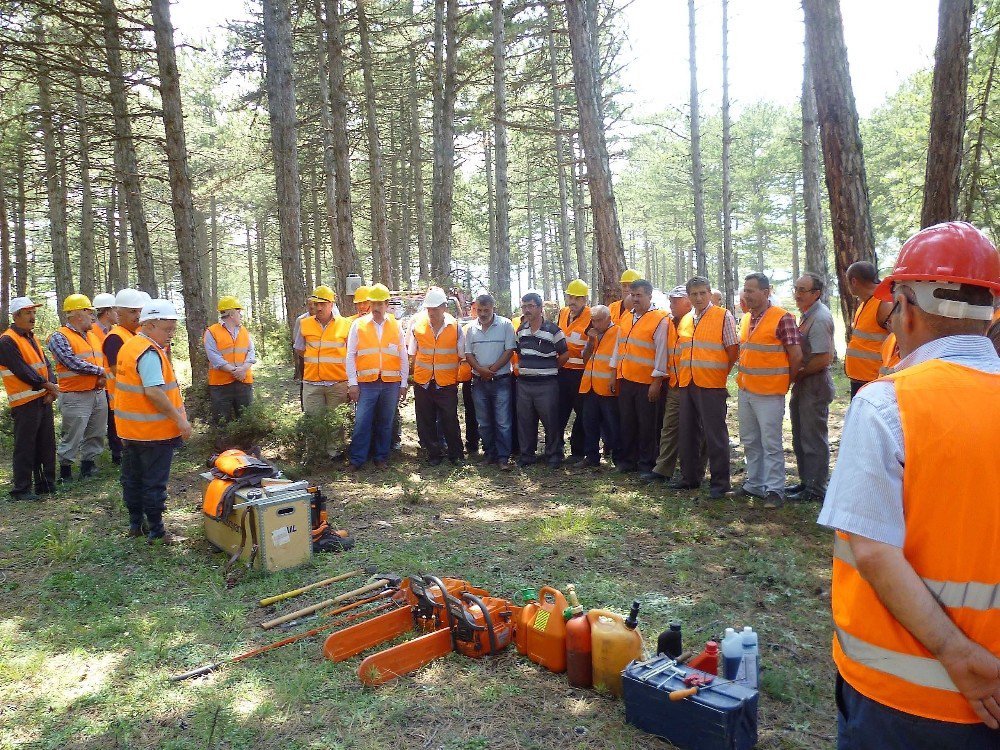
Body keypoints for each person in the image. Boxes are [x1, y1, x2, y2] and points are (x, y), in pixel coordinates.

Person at [818, 221, 1000, 747]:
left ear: (908, 308)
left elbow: (873, 553)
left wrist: (955, 652)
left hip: (902, 700)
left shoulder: (886, 404)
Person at [115, 299, 192, 543]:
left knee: (133, 479)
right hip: (153, 433)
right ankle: (157, 531)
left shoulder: (131, 346)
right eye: (167, 329)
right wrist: (180, 420)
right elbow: (154, 392)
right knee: (154, 483)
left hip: (130, 431)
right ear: (148, 326)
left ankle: (135, 524)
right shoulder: (148, 352)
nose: (171, 334)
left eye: (173, 329)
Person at [735, 274, 802, 508]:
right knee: (750, 440)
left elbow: (796, 356)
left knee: (771, 443)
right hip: (746, 390)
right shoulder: (745, 319)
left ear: (766, 292)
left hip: (770, 393)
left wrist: (785, 381)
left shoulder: (782, 318)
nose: (747, 294)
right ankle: (755, 483)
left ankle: (775, 489)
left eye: (751, 290)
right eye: (745, 290)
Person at [673, 275, 739, 499]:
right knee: (688, 432)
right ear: (688, 297)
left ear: (710, 293)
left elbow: (732, 350)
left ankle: (720, 484)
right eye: (694, 294)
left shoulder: (723, 316)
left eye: (703, 293)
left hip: (711, 384)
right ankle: (690, 478)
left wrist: (720, 373)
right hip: (687, 382)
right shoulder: (686, 320)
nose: (699, 297)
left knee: (715, 435)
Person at [0, 297, 58, 500]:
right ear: (16, 317)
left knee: (46, 443)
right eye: (28, 313)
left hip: (43, 398)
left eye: (34, 313)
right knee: (25, 446)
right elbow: (21, 370)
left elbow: (46, 364)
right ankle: (21, 489)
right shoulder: (7, 340)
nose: (33, 317)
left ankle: (46, 484)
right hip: (25, 402)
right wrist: (48, 385)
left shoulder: (31, 337)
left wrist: (51, 389)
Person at [346, 284, 408, 470]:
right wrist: (352, 383)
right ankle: (357, 459)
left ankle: (381, 457)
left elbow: (403, 355)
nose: (376, 307)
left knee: (385, 423)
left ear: (387, 304)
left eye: (380, 303)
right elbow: (350, 355)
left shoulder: (395, 325)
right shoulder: (359, 325)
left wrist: (403, 383)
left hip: (390, 384)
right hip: (366, 384)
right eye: (373, 303)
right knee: (362, 422)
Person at [47, 294, 109, 481]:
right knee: (73, 434)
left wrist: (102, 376)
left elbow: (102, 361)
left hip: (97, 393)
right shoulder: (59, 337)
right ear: (78, 314)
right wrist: (101, 371)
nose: (93, 316)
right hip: (75, 395)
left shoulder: (93, 337)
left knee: (97, 432)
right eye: (89, 312)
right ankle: (65, 471)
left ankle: (88, 467)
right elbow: (71, 362)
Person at [787, 273, 836, 503]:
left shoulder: (821, 318)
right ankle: (806, 482)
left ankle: (816, 488)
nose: (797, 294)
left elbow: (823, 358)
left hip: (814, 384)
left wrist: (798, 373)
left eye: (803, 290)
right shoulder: (806, 316)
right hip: (804, 382)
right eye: (796, 288)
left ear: (816, 294)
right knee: (799, 434)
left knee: (812, 437)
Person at [408, 287, 465, 466]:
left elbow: (462, 355)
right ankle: (433, 454)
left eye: (435, 308)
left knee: (449, 419)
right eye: (429, 308)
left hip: (446, 382)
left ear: (444, 307)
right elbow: (412, 353)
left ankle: (456, 454)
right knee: (426, 419)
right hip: (423, 381)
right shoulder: (417, 326)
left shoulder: (455, 328)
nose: (431, 312)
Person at [617, 279, 669, 475]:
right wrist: (616, 374)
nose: (635, 299)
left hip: (647, 382)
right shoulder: (626, 317)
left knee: (647, 425)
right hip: (626, 379)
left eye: (639, 295)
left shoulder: (660, 320)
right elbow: (619, 348)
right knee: (627, 422)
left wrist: (657, 381)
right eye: (632, 295)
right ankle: (628, 461)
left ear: (649, 295)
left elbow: (662, 352)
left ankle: (647, 464)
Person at [294, 285, 352, 459]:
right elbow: (299, 349)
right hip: (312, 383)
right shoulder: (304, 323)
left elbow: (351, 352)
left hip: (338, 383)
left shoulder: (346, 325)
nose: (318, 308)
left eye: (323, 304)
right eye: (315, 304)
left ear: (331, 304)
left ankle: (334, 455)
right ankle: (315, 455)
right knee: (313, 420)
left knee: (336, 422)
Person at [515, 292, 569, 467]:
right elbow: (519, 352)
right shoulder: (521, 330)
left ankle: (553, 455)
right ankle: (527, 455)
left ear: (540, 308)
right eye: (524, 306)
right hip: (524, 384)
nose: (527, 310)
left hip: (546, 385)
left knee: (551, 420)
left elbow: (565, 354)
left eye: (531, 306)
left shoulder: (553, 330)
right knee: (525, 421)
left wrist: (550, 368)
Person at [645, 285, 692, 483]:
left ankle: (692, 471)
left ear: (688, 302)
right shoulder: (669, 323)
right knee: (669, 427)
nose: (671, 304)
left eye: (676, 301)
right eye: (671, 300)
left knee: (694, 429)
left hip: (695, 384)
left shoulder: (695, 322)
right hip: (675, 384)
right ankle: (663, 469)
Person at [464, 294, 517, 468]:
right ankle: (489, 454)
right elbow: (468, 354)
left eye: (486, 310)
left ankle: (503, 457)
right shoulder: (471, 328)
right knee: (484, 422)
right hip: (479, 381)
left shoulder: (505, 325)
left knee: (503, 421)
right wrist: (480, 370)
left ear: (493, 308)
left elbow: (509, 350)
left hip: (501, 380)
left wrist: (492, 370)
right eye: (479, 310)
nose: (483, 313)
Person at [103, 289, 149, 465]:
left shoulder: (133, 334)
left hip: (135, 399)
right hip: (124, 400)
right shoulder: (115, 338)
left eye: (139, 311)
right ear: (118, 313)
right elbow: (119, 372)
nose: (137, 315)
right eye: (132, 311)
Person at [578, 304, 619, 469]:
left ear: (609, 319)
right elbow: (585, 359)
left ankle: (619, 458)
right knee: (589, 422)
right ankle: (591, 456)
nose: (595, 324)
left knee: (612, 424)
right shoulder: (592, 334)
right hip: (590, 385)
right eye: (593, 320)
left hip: (607, 386)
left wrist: (613, 378)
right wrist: (590, 341)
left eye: (599, 320)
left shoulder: (617, 332)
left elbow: (618, 357)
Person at [204, 296, 256, 426]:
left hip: (244, 382)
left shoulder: (244, 331)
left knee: (247, 421)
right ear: (232, 314)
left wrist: (243, 369)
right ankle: (223, 446)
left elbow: (251, 352)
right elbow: (214, 357)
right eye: (239, 312)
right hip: (220, 385)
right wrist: (235, 371)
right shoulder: (211, 332)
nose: (241, 315)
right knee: (222, 422)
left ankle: (247, 446)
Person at [844, 261, 893, 397]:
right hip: (860, 379)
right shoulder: (865, 303)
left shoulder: (884, 304)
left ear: (853, 281)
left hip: (874, 381)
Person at [558, 279, 592, 464]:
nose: (573, 301)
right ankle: (556, 450)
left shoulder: (591, 316)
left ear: (585, 299)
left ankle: (579, 452)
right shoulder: (562, 313)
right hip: (562, 372)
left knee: (582, 414)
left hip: (580, 373)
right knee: (559, 412)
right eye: (570, 296)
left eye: (577, 298)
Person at [457, 302, 479, 456]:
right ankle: (472, 444)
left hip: (488, 376)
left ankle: (490, 443)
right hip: (469, 378)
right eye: (474, 309)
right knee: (470, 412)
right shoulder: (465, 329)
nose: (477, 312)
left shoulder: (499, 327)